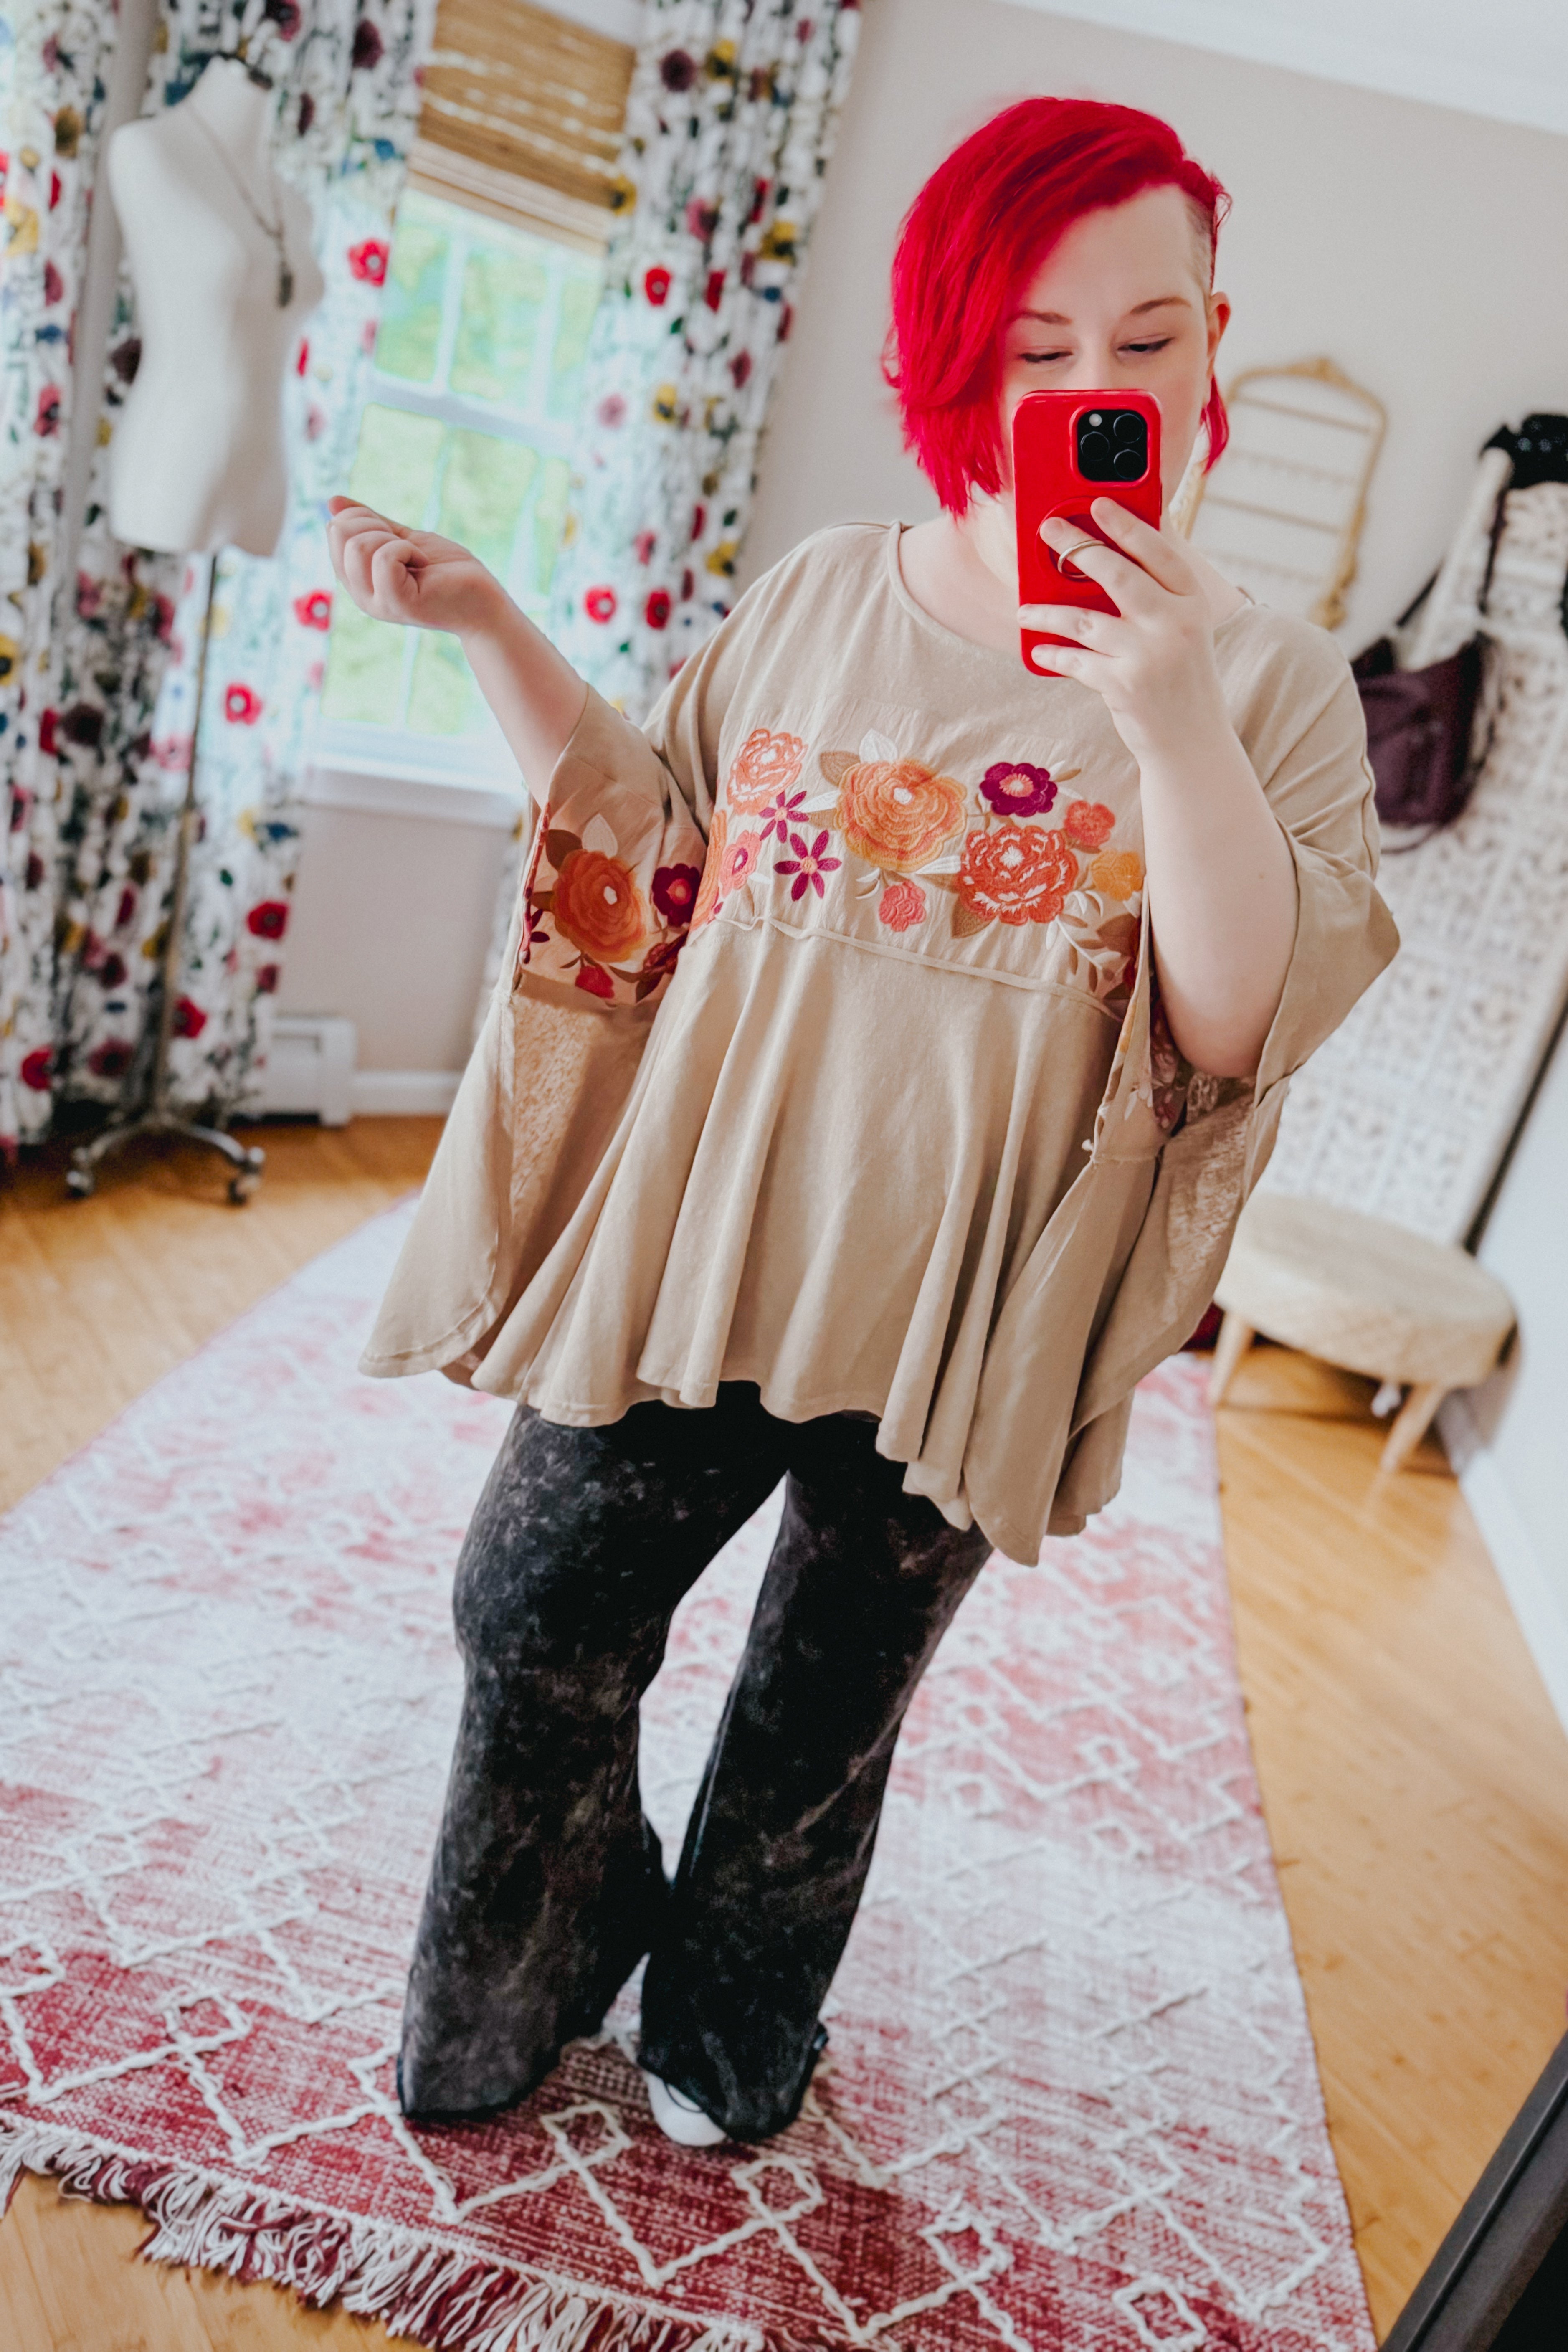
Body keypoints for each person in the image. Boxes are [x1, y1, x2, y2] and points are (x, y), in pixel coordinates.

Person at [327, 97, 1396, 2150]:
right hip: (722, 1227)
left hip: (979, 1293)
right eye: (1039, 345)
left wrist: (1167, 710)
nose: (1101, 388)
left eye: (1152, 337)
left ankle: (731, 2026)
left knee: (825, 1703)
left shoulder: (1267, 683)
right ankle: (540, 1947)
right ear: (954, 356)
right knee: (531, 1606)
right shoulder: (828, 590)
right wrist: (486, 620)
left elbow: (1233, 1021)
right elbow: (651, 840)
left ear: (1213, 348)